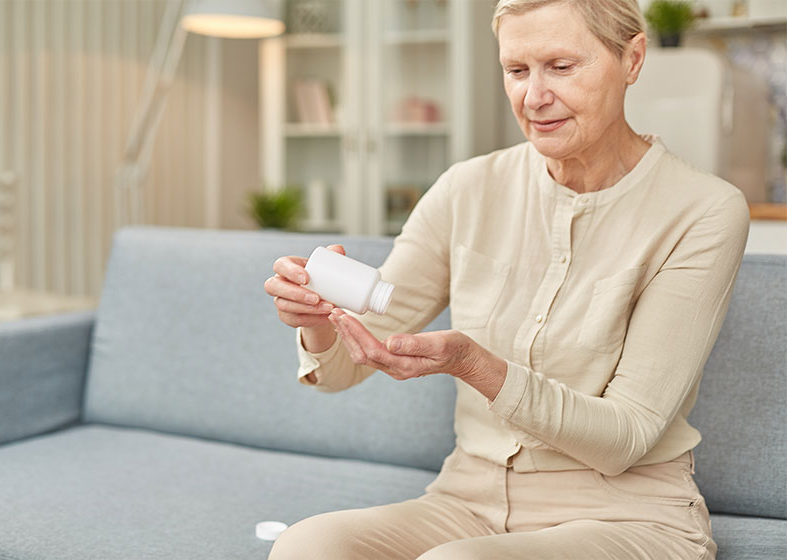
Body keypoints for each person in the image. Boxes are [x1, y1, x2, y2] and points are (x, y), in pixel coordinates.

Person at [262, 1, 749, 558]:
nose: (533, 97)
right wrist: (317, 320)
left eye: (561, 67)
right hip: (467, 503)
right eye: (516, 70)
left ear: (632, 58)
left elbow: (625, 438)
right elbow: (350, 362)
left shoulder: (703, 211)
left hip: (626, 513)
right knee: (308, 547)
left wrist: (475, 365)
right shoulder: (466, 189)